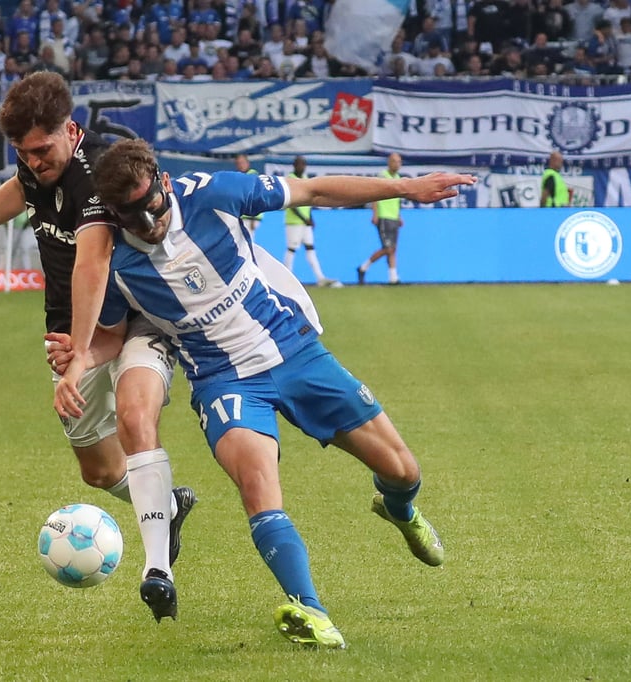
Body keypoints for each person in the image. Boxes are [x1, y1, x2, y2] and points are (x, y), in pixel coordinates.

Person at [58, 138, 474, 648]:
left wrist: (405, 187)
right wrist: (78, 360)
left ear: (164, 183)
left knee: (402, 470)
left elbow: (315, 191)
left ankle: (399, 509)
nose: (148, 224)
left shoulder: (214, 192)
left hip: (295, 352)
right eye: (132, 216)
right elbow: (114, 337)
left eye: (152, 207)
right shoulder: (113, 261)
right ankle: (312, 612)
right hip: (223, 383)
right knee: (258, 489)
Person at [0, 73, 196, 622]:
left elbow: (93, 264)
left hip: (130, 315)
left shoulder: (99, 176)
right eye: (24, 152)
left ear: (71, 130)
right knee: (95, 469)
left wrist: (83, 353)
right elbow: (20, 190)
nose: (35, 161)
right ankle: (165, 507)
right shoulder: (34, 161)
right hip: (69, 327)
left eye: (43, 150)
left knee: (138, 420)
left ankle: (156, 567)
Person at [283, 156, 339, 287]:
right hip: (294, 222)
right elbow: (291, 203)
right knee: (292, 249)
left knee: (310, 248)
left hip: (305, 222)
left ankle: (320, 278)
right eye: (300, 164)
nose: (302, 167)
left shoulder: (306, 178)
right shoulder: (290, 179)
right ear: (294, 166)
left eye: (303, 164)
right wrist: (304, 219)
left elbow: (308, 202)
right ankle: (286, 279)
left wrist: (310, 219)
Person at [357, 153, 405, 285]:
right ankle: (363, 267)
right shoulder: (383, 176)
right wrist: (375, 213)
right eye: (395, 161)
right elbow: (375, 195)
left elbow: (397, 200)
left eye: (399, 162)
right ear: (389, 162)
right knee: (388, 248)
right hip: (383, 216)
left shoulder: (397, 177)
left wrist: (399, 216)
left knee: (393, 248)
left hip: (393, 216)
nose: (397, 164)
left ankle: (393, 278)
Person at [233, 153, 263, 236]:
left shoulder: (252, 175)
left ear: (247, 163)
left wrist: (253, 218)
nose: (240, 165)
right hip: (243, 216)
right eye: (238, 163)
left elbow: (254, 196)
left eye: (242, 162)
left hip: (251, 216)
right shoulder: (238, 176)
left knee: (247, 240)